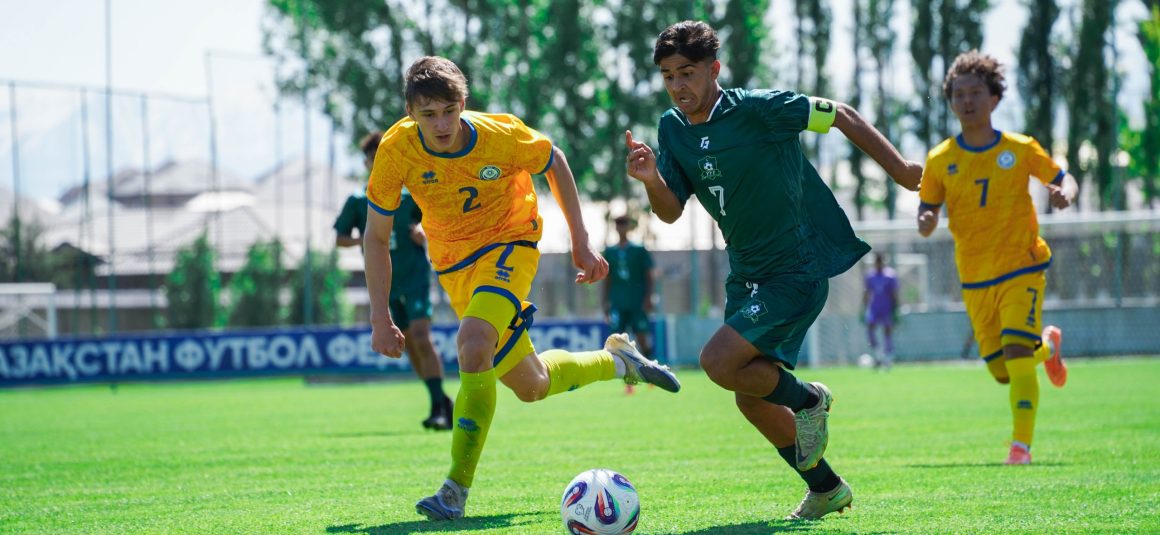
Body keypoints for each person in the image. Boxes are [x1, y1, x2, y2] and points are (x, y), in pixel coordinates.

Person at [625, 21, 922, 521]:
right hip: (746, 275)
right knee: (750, 395)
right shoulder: (672, 127)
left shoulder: (760, 109)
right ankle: (826, 488)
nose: (678, 85)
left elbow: (843, 115)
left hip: (796, 267)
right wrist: (651, 177)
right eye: (668, 75)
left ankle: (809, 400)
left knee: (718, 362)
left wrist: (902, 172)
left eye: (688, 73)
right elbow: (671, 211)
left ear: (714, 70)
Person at [364, 56, 680, 522]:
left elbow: (554, 160)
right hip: (454, 268)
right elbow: (375, 235)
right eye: (428, 115)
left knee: (472, 343)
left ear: (462, 103)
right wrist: (378, 315)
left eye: (448, 111)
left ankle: (454, 490)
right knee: (532, 385)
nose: (441, 123)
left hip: (511, 244)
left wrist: (580, 242)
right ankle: (619, 362)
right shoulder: (397, 150)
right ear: (411, 113)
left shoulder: (500, 134)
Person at [917, 50, 1073, 466]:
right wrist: (927, 218)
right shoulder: (940, 159)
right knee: (1003, 370)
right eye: (959, 94)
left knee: (1017, 353)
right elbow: (927, 206)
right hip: (975, 276)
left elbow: (1062, 177)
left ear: (995, 98)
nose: (967, 101)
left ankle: (1020, 447)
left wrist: (1065, 194)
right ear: (951, 101)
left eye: (976, 93)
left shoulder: (1020, 149)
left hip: (1022, 264)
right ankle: (1049, 347)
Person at [334, 132, 453, 431]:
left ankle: (440, 406)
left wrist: (424, 233)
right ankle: (439, 400)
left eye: (383, 158)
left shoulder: (410, 196)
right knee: (409, 344)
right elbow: (339, 238)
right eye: (373, 159)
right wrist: (364, 238)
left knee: (422, 337)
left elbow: (437, 219)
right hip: (385, 285)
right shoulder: (360, 201)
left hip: (414, 278)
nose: (379, 163)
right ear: (366, 163)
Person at [602, 214, 656, 394]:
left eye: (623, 223)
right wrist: (605, 303)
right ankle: (629, 383)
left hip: (636, 301)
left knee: (641, 338)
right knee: (619, 343)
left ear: (629, 226)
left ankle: (653, 373)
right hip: (618, 301)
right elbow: (607, 279)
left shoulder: (639, 250)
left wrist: (648, 297)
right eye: (618, 224)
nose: (620, 227)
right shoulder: (609, 251)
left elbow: (649, 276)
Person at [862, 253, 899, 370]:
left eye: (880, 262)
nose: (878, 264)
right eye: (877, 262)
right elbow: (867, 292)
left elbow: (894, 293)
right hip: (874, 308)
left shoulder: (890, 275)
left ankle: (888, 358)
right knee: (870, 328)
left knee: (887, 331)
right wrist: (862, 308)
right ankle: (877, 355)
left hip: (887, 308)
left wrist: (896, 308)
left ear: (883, 262)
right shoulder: (870, 276)